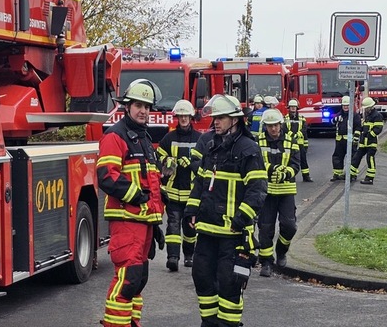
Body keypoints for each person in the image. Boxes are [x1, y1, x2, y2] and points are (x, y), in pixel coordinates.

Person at [185, 94, 267, 327]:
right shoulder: (212, 146)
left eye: (220, 118)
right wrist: (191, 209)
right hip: (207, 231)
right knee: (201, 277)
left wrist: (241, 220)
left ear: (234, 120)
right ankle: (209, 323)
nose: (215, 122)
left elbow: (258, 189)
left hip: (233, 234)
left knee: (229, 283)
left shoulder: (248, 149)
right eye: (215, 118)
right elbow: (200, 182)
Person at [97, 79, 166, 327]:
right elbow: (107, 176)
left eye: (147, 106)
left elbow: (152, 183)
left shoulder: (143, 138)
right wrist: (137, 196)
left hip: (143, 222)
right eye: (138, 105)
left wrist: (155, 222)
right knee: (127, 280)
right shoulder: (116, 136)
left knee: (138, 280)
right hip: (127, 220)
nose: (143, 111)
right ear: (127, 106)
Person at [157, 100, 202, 271]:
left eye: (186, 116)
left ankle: (189, 256)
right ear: (177, 117)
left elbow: (204, 163)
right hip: (173, 192)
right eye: (180, 116)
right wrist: (168, 161)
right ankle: (173, 258)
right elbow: (158, 156)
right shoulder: (169, 138)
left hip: (192, 194)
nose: (183, 118)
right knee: (173, 226)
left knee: (190, 228)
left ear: (191, 117)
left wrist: (191, 163)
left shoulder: (199, 139)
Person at [257, 108, 301, 277]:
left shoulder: (291, 140)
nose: (273, 129)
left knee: (289, 226)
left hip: (286, 190)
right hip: (266, 192)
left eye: (275, 125)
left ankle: (281, 250)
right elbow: (257, 163)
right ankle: (266, 263)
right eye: (270, 126)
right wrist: (272, 170)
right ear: (265, 127)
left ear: (280, 125)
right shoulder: (258, 141)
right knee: (265, 228)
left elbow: (296, 164)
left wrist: (285, 173)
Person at [350, 97, 383, 184]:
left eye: (367, 108)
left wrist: (369, 135)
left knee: (370, 159)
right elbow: (363, 127)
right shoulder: (367, 115)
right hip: (363, 142)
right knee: (356, 157)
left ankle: (370, 178)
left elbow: (378, 129)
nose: (366, 109)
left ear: (371, 107)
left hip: (371, 143)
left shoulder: (377, 115)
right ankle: (351, 174)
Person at [330, 96, 362, 181]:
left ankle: (352, 174)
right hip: (340, 140)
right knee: (337, 157)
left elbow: (358, 128)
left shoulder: (354, 116)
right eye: (344, 105)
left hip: (350, 140)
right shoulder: (339, 114)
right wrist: (335, 119)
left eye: (347, 105)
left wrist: (356, 138)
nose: (345, 107)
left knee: (352, 157)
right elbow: (331, 121)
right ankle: (337, 174)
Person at [284, 98, 312, 182]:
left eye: (294, 107)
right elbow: (284, 129)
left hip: (300, 143)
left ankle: (306, 176)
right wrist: (293, 136)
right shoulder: (285, 118)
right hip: (289, 143)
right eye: (291, 107)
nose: (293, 108)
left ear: (297, 108)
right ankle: (289, 176)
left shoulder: (302, 118)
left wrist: (297, 136)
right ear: (289, 108)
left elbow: (304, 130)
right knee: (289, 160)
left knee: (303, 160)